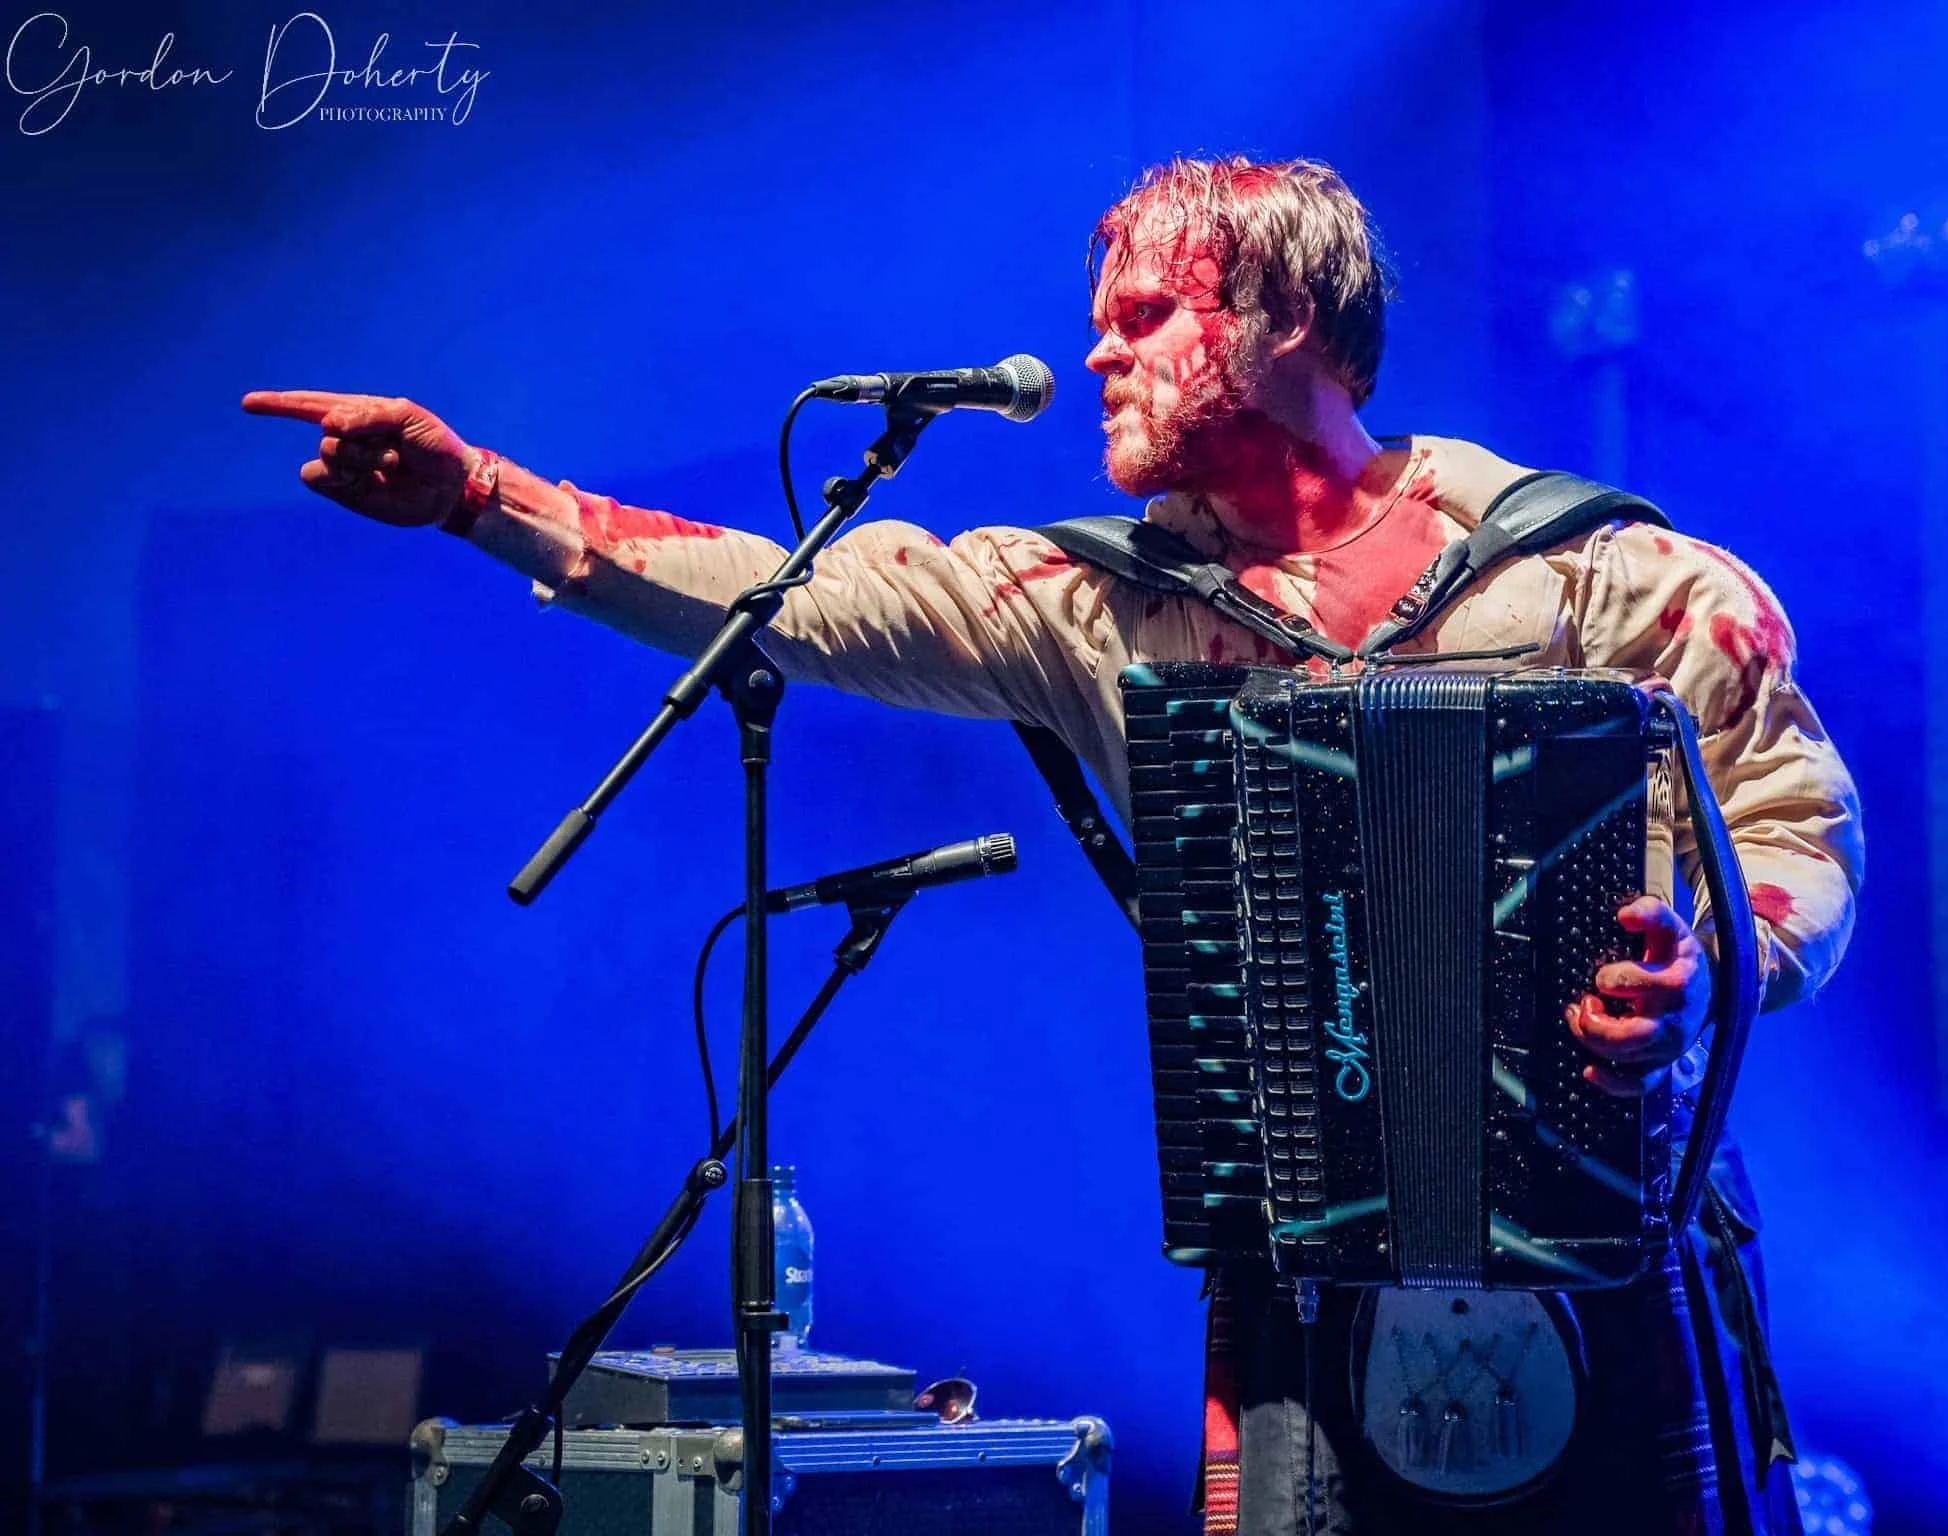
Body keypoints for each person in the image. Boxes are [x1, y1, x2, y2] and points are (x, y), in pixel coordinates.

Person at [244, 156, 1861, 1534]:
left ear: (1292, 318)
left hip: (1611, 1239)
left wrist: (1716, 969)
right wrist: (479, 494)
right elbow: (781, 596)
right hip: (1296, 1266)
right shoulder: (1097, 606)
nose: (1098, 351)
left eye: (1145, 315)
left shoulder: (1601, 577)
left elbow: (1796, 826)